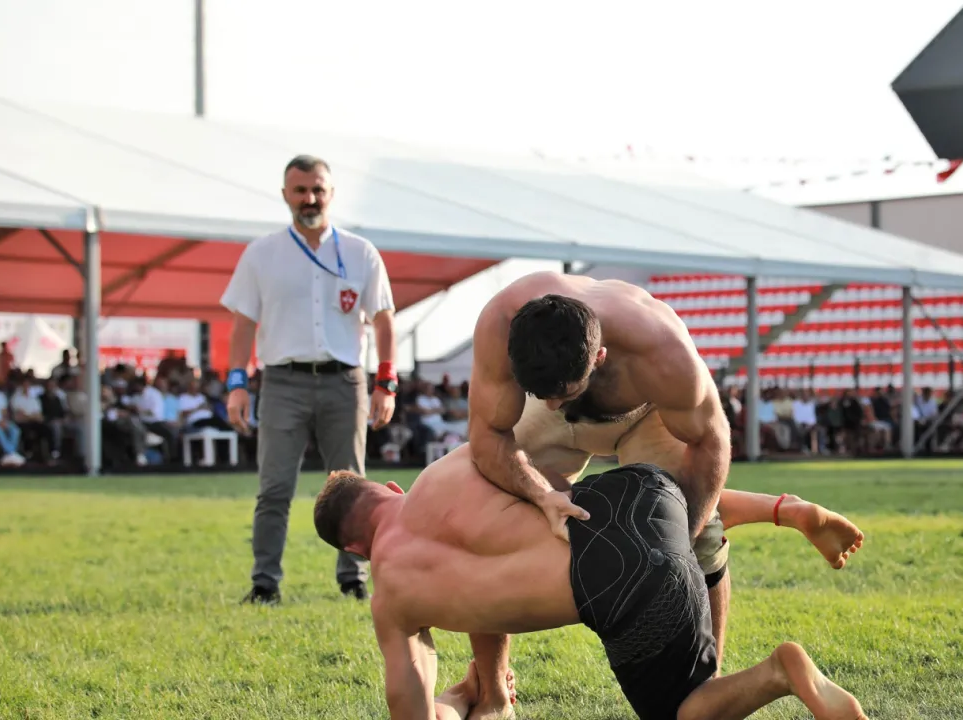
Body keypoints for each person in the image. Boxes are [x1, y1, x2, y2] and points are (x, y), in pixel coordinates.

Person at [462, 273, 827, 716]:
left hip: (645, 412)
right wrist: (541, 494)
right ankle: (495, 692)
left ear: (600, 356)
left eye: (562, 393)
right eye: (541, 393)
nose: (553, 404)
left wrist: (680, 543)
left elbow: (710, 441)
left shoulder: (662, 352)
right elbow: (487, 437)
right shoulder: (502, 320)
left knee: (703, 535)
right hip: (556, 413)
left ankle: (707, 687)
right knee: (483, 506)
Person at [312, 449, 868, 720]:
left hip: (625, 585)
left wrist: (461, 695)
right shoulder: (449, 469)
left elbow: (415, 716)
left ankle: (781, 671)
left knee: (684, 713)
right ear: (392, 488)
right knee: (657, 509)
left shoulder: (393, 598)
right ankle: (781, 508)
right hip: (639, 489)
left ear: (356, 550)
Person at [221, 154, 399, 605]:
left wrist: (387, 383)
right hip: (283, 383)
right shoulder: (262, 253)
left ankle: (354, 579)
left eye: (318, 189)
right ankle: (265, 583)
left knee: (354, 486)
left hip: (345, 382)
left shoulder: (360, 252)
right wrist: (237, 384)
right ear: (285, 194)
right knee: (274, 488)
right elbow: (243, 325)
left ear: (331, 193)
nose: (310, 199)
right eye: (300, 190)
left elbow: (383, 320)